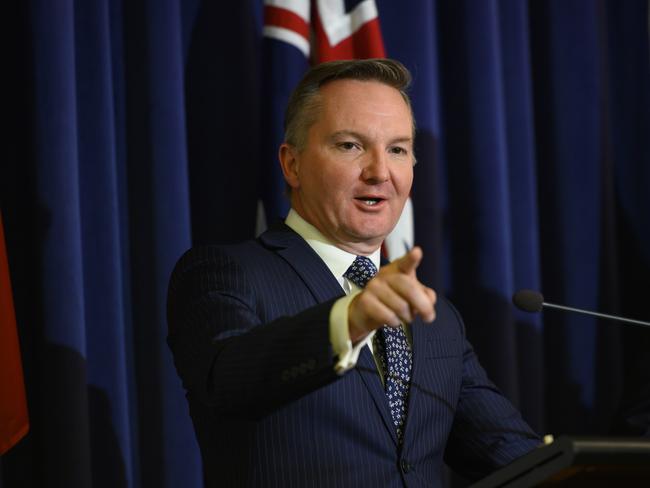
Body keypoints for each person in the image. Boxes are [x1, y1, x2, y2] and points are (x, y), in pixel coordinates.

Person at [167, 58, 540, 487]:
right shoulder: (224, 274)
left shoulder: (437, 320)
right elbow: (227, 382)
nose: (380, 172)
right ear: (292, 164)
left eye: (397, 149)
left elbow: (515, 459)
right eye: (350, 145)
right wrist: (351, 319)